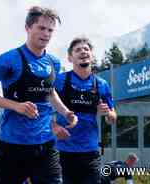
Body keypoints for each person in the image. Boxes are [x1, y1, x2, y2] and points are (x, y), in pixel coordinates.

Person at [0, 6, 77, 184]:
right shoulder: (8, 59)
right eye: (41, 28)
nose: (46, 34)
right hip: (13, 145)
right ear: (28, 28)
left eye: (50, 30)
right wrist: (17, 106)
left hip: (45, 144)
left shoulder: (54, 62)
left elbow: (50, 92)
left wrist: (66, 112)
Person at [52, 37, 117, 184]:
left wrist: (107, 113)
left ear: (92, 56)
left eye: (86, 49)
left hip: (90, 152)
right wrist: (54, 126)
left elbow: (112, 117)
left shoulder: (101, 84)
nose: (83, 52)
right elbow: (42, 109)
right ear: (70, 57)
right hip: (62, 151)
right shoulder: (60, 80)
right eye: (78, 50)